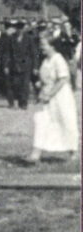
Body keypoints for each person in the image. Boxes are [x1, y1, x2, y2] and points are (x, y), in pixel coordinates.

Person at [24, 32, 80, 164]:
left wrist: (50, 94)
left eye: (43, 45)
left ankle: (73, 152)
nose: (41, 47)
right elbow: (46, 78)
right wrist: (40, 85)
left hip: (61, 96)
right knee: (41, 121)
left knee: (66, 122)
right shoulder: (46, 60)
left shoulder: (58, 59)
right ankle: (35, 153)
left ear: (52, 46)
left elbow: (63, 79)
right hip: (47, 96)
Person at [8, 21, 38, 110]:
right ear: (15, 29)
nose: (19, 30)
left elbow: (34, 53)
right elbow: (8, 52)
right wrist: (7, 64)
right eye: (18, 28)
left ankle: (24, 102)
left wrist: (35, 66)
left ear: (24, 29)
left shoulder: (29, 38)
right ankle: (19, 100)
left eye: (21, 28)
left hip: (26, 64)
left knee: (25, 84)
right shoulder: (12, 38)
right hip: (15, 64)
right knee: (16, 83)